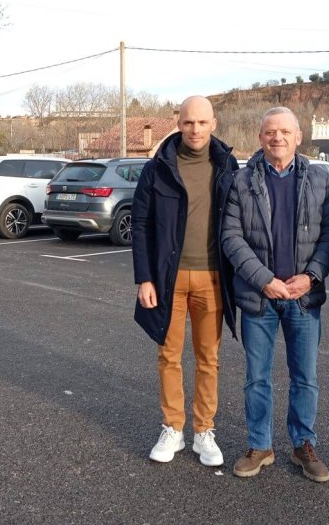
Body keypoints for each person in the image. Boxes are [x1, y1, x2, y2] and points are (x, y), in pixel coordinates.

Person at [221, 107, 329, 481]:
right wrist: (264, 279)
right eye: (270, 131)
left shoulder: (320, 180)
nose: (278, 138)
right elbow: (231, 237)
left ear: (298, 136)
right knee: (257, 377)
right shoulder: (241, 182)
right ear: (260, 137)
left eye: (285, 131)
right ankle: (260, 445)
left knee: (305, 376)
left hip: (303, 297)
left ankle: (303, 444)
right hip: (260, 296)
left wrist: (312, 276)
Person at [131, 95, 239, 467]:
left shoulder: (227, 165)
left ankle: (203, 431)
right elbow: (141, 224)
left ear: (214, 124)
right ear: (179, 123)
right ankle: (172, 428)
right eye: (188, 122)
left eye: (202, 122)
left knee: (209, 359)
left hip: (213, 277)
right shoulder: (158, 166)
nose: (195, 129)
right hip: (167, 279)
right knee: (169, 355)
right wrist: (144, 278)